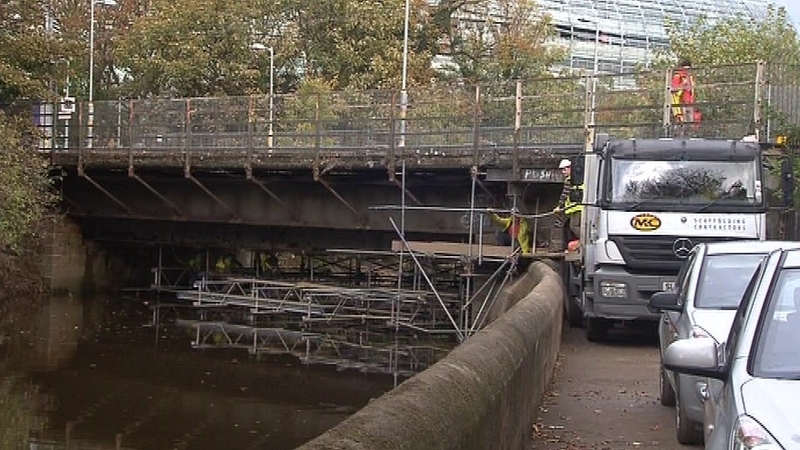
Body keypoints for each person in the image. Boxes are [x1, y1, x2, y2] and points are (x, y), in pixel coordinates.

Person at [554, 159, 583, 249]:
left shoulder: (570, 180)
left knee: (574, 226)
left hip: (576, 208)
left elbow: (565, 194)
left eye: (564, 169)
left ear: (570, 168)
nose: (563, 172)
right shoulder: (578, 178)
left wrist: (559, 207)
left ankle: (584, 241)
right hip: (576, 208)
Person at [671, 59, 698, 127]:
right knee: (682, 123)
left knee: (691, 123)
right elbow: (673, 90)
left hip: (690, 103)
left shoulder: (690, 77)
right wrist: (683, 83)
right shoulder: (678, 76)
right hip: (681, 103)